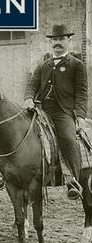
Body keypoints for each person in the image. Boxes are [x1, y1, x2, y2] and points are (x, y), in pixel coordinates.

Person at [23, 24, 88, 200]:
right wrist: (28, 98)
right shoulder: (44, 65)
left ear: (69, 40)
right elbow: (32, 84)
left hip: (62, 112)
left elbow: (82, 93)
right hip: (41, 110)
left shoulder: (77, 65)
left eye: (61, 39)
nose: (57, 43)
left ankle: (73, 179)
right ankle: (13, 172)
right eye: (54, 40)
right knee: (20, 131)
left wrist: (80, 116)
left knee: (67, 137)